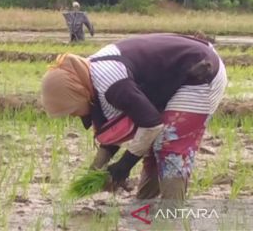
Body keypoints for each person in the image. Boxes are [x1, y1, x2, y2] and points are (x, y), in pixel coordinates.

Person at [41, 34, 227, 208]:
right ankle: (144, 206)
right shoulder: (90, 77)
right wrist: (95, 171)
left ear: (78, 93)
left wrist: (124, 166)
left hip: (200, 73)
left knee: (169, 146)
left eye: (71, 110)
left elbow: (151, 124)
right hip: (178, 76)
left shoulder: (111, 83)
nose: (73, 115)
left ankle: (173, 214)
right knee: (153, 149)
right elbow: (116, 131)